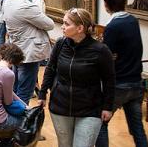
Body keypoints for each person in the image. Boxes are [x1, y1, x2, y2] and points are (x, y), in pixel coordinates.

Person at [38, 8, 114, 147]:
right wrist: (42, 93)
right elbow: (50, 69)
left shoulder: (101, 50)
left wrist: (108, 106)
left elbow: (109, 80)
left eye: (66, 24)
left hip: (89, 109)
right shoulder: (60, 44)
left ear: (80, 28)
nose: (62, 26)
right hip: (60, 106)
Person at [96, 0, 148, 147]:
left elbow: (106, 58)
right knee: (137, 129)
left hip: (119, 84)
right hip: (136, 82)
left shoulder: (113, 26)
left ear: (106, 4)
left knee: (100, 124)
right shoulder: (133, 20)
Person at [3, 0, 54, 104]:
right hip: (28, 52)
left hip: (16, 48)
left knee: (16, 88)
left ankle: (13, 113)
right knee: (24, 92)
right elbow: (49, 24)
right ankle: (20, 116)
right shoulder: (24, 5)